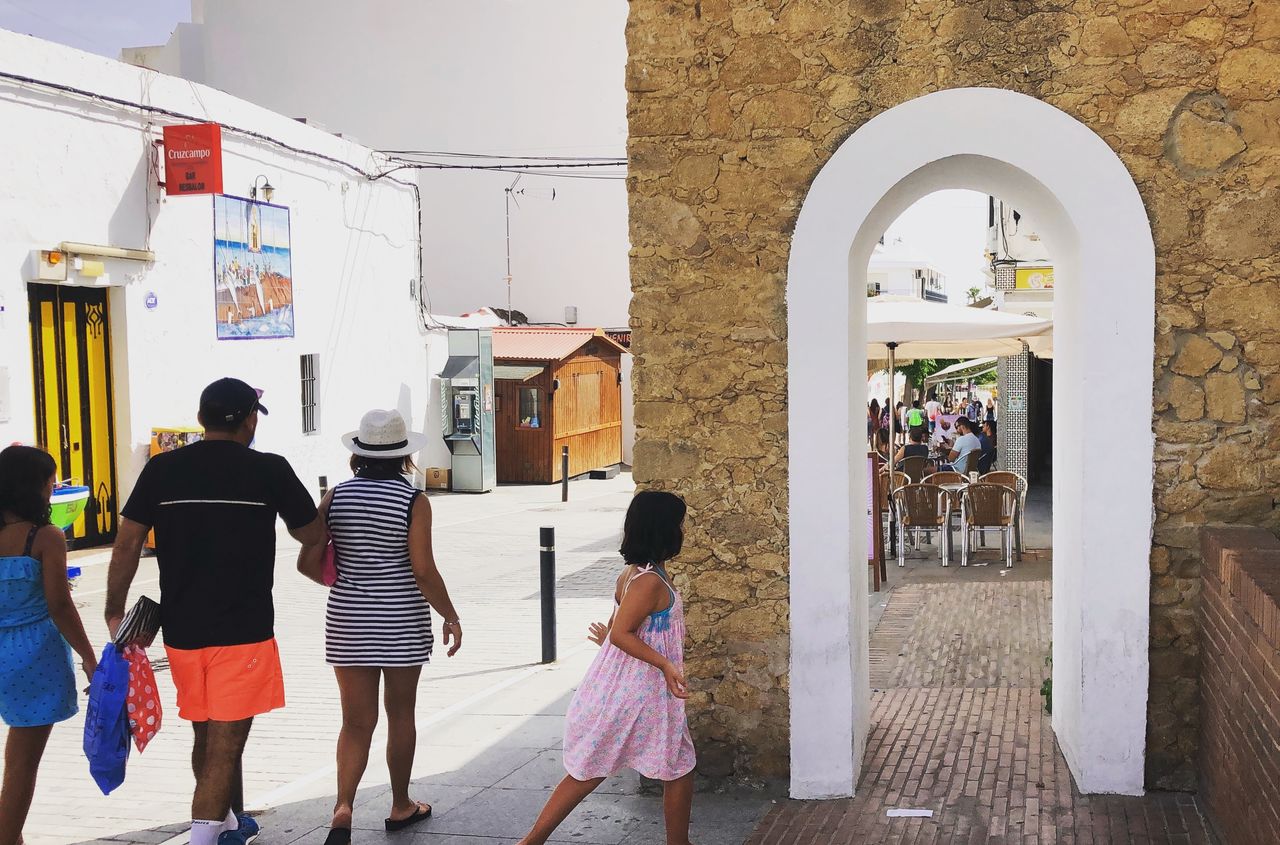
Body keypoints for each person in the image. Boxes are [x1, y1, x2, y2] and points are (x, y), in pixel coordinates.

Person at [106, 378, 325, 845]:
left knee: (205, 734)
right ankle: (204, 836)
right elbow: (311, 536)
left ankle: (225, 820)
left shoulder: (162, 470)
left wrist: (113, 610)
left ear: (204, 418)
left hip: (181, 631)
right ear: (248, 420)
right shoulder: (269, 470)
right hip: (242, 629)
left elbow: (126, 543)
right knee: (227, 743)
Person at [297, 410, 463, 845]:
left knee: (355, 723)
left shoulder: (336, 497)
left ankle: (343, 808)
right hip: (402, 622)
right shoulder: (413, 501)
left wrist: (348, 584)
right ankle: (400, 804)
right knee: (400, 714)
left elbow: (308, 560)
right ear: (403, 456)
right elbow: (423, 570)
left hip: (347, 622)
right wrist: (450, 614)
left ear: (359, 454)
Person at [517, 492, 695, 845]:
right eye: (678, 523)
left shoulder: (634, 574)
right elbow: (621, 633)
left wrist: (614, 646)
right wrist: (665, 663)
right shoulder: (649, 582)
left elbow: (619, 631)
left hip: (631, 685)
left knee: (608, 765)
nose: (683, 530)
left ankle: (533, 841)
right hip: (641, 691)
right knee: (668, 764)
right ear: (664, 531)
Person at [0, 446, 97, 845]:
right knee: (22, 764)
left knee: (15, 761)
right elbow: (59, 604)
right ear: (37, 487)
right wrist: (90, 658)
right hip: (33, 656)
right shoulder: (44, 537)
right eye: (51, 481)